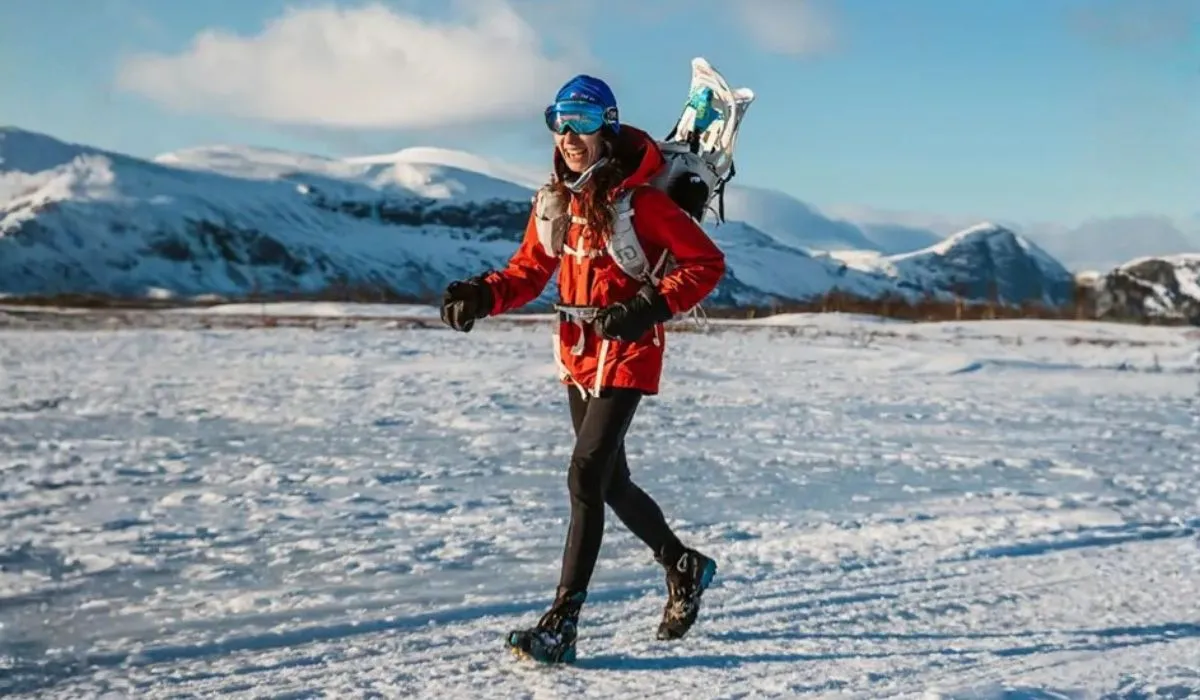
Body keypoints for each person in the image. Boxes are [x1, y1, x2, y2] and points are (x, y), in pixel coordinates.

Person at [439, 74, 726, 663]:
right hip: (575, 350)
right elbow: (528, 270)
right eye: (559, 120)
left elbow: (704, 263)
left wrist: (647, 306)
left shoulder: (641, 202)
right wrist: (481, 294)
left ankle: (562, 623)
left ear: (609, 127)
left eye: (584, 120)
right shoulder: (555, 203)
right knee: (609, 482)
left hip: (630, 347)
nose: (570, 134)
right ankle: (682, 563)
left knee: (584, 475)